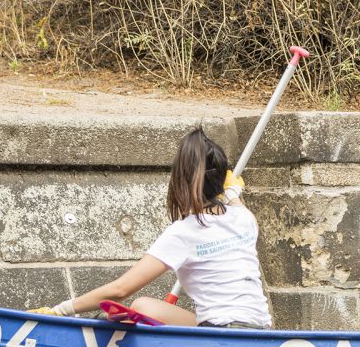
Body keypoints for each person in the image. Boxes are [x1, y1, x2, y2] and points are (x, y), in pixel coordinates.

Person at [29, 128, 272, 329]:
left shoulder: (184, 231)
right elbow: (240, 208)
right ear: (221, 180)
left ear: (181, 181)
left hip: (222, 333)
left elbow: (120, 290)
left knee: (141, 305)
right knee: (146, 307)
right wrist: (231, 193)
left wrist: (61, 310)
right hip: (260, 331)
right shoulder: (244, 219)